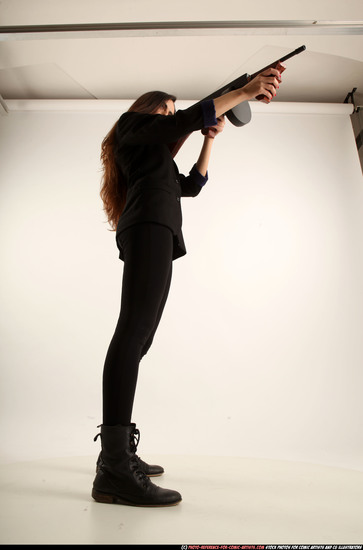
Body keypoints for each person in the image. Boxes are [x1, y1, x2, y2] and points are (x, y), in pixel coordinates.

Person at [92, 68, 282, 507]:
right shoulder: (129, 125)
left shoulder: (152, 160)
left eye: (175, 113)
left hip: (159, 231)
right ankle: (114, 466)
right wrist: (243, 91)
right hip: (149, 229)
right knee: (131, 333)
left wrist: (210, 138)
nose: (173, 117)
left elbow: (192, 187)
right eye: (168, 110)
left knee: (139, 340)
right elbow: (181, 121)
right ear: (149, 111)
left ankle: (118, 455)